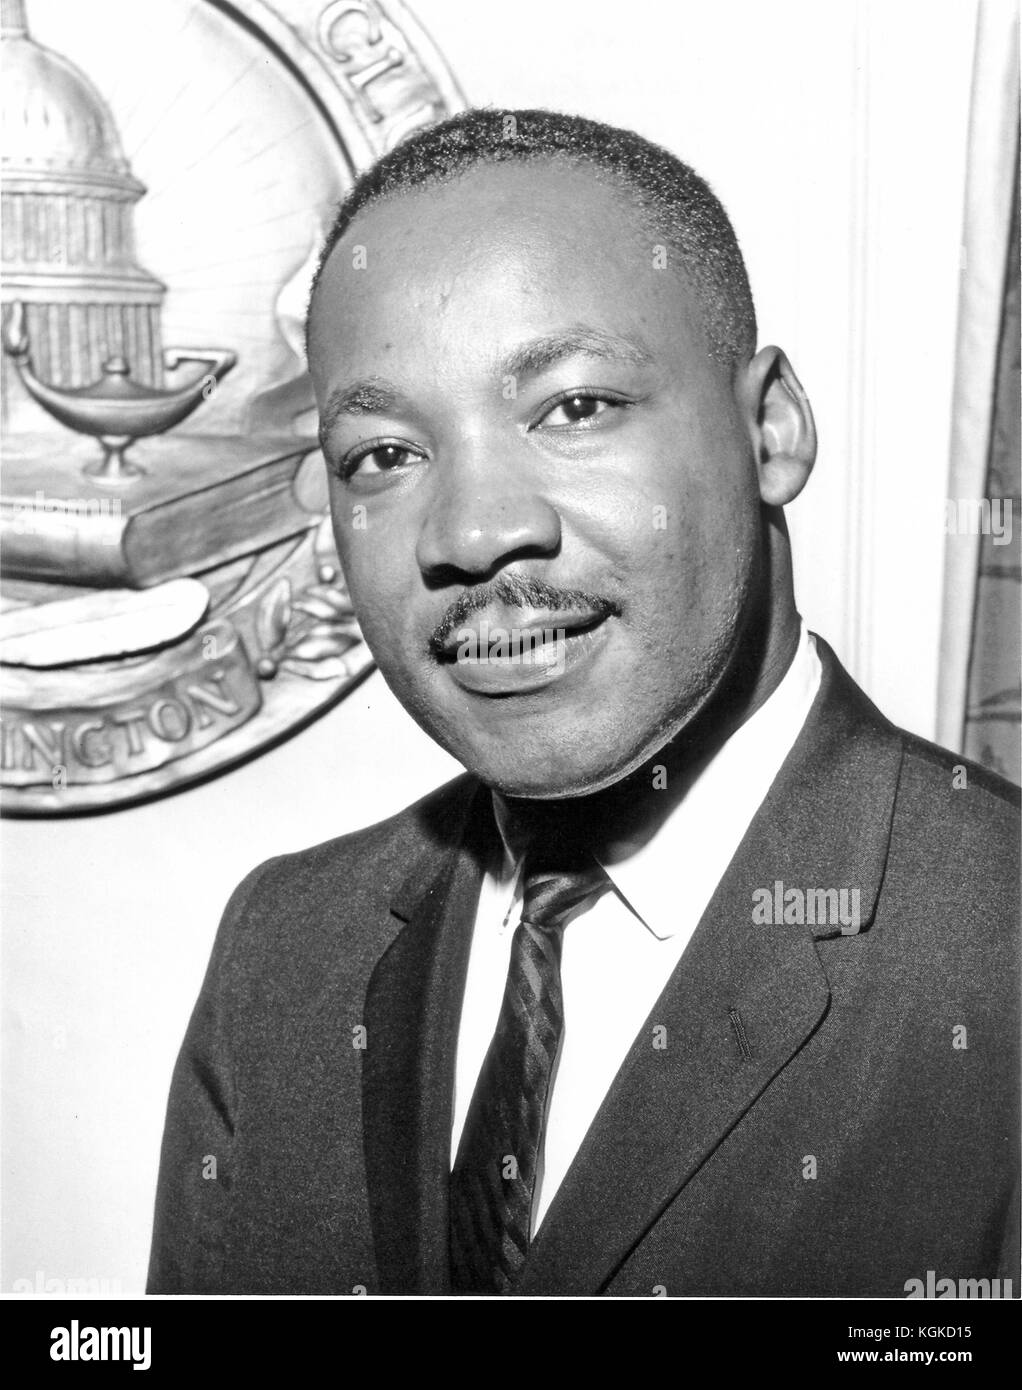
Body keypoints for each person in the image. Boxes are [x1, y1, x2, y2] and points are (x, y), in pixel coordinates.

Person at [148, 109, 1019, 1297]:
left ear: (769, 429)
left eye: (572, 408)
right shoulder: (285, 950)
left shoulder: (993, 957)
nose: (470, 531)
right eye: (385, 455)